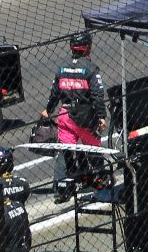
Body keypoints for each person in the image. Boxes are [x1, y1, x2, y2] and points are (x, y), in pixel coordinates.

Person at [42, 32, 108, 203]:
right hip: (85, 118)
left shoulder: (62, 68)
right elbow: (97, 95)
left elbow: (54, 93)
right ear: (87, 47)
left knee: (65, 152)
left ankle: (62, 189)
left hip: (64, 115)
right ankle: (101, 180)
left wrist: (48, 110)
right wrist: (101, 116)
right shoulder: (91, 68)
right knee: (94, 150)